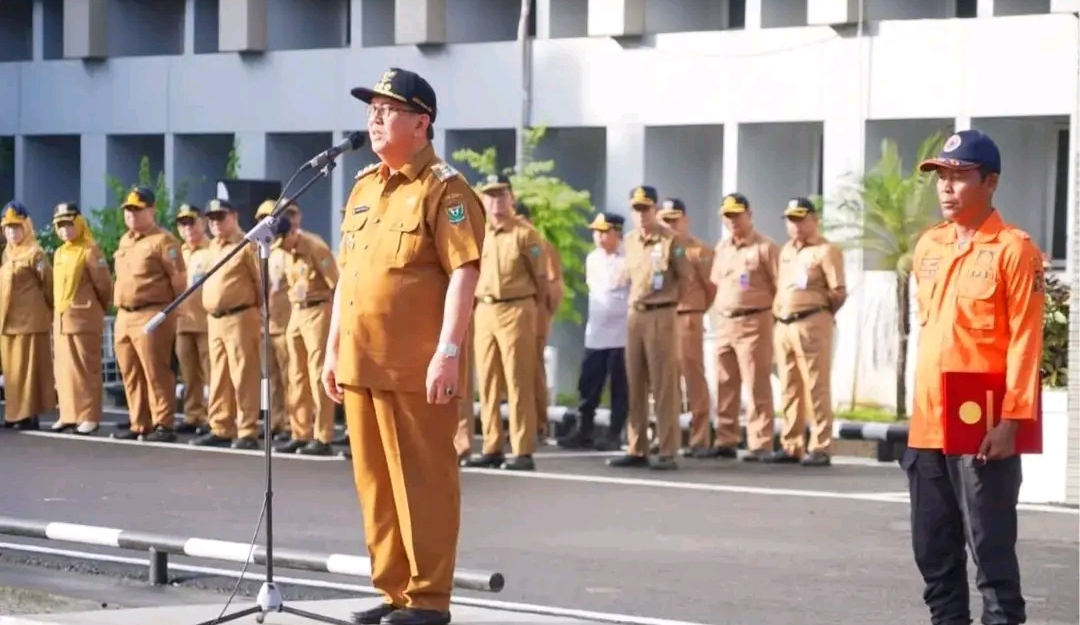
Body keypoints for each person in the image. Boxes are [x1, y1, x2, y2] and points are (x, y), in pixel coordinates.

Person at [323, 67, 484, 625]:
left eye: (387, 110)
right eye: (371, 110)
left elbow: (464, 272)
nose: (374, 119)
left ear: (421, 122)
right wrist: (331, 349)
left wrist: (448, 351)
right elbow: (348, 275)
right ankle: (394, 590)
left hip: (415, 367)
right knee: (376, 486)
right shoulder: (365, 186)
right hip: (360, 361)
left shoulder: (445, 189)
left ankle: (429, 598)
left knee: (423, 483)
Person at [904, 129, 1042, 625]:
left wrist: (1012, 421)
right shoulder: (929, 246)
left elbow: (1026, 339)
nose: (946, 186)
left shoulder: (1014, 250)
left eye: (960, 176)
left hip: (982, 426)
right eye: (941, 176)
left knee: (991, 558)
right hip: (928, 426)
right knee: (934, 555)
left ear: (991, 182)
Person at [462, 174, 547, 471]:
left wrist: (531, 309)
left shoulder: (525, 234)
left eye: (501, 194)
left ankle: (523, 450)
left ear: (512, 198)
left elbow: (541, 279)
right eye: (490, 195)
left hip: (516, 307)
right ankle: (492, 445)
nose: (496, 200)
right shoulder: (477, 232)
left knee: (517, 380)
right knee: (487, 381)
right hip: (485, 308)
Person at [607, 186, 694, 471]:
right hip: (636, 314)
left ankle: (667, 449)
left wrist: (670, 305)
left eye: (646, 208)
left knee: (663, 385)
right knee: (635, 383)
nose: (642, 214)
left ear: (655, 210)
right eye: (637, 209)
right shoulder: (629, 240)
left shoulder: (671, 240)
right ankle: (637, 447)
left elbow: (687, 278)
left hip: (661, 314)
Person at [766, 197, 845, 467]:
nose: (796, 225)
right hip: (784, 324)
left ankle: (821, 445)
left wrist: (820, 314)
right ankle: (791, 443)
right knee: (789, 387)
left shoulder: (825, 250)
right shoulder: (786, 250)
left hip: (811, 322)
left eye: (801, 219)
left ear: (814, 220)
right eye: (791, 220)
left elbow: (838, 291)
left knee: (816, 385)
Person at [110, 186, 187, 443]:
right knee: (130, 372)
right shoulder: (125, 240)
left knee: (156, 370)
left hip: (152, 312)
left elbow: (179, 281)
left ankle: (163, 423)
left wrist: (170, 313)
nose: (131, 214)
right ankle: (139, 422)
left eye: (137, 210)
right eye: (128, 210)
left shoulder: (164, 241)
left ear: (151, 211)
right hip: (124, 314)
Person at [710, 193, 780, 461]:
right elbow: (716, 284)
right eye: (728, 216)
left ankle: (760, 442)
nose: (733, 221)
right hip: (725, 322)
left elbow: (780, 286)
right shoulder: (722, 248)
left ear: (749, 215)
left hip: (754, 321)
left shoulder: (765, 247)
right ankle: (726, 438)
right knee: (724, 382)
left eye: (737, 215)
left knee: (756, 383)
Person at [190, 199, 263, 449]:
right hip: (215, 320)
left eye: (220, 217)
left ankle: (247, 429)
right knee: (218, 375)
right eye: (211, 218)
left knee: (243, 374)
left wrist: (260, 314)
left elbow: (260, 282)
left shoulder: (246, 244)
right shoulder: (212, 247)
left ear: (234, 216)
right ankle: (221, 426)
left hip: (240, 316)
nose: (215, 223)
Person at [557, 211, 629, 451]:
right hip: (596, 332)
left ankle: (615, 432)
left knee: (619, 386)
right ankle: (584, 429)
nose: (598, 236)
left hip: (622, 332)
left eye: (604, 231)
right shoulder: (593, 259)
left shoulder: (629, 257)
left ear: (617, 232)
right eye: (596, 232)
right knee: (589, 383)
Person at [273, 201, 339, 456]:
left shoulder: (314, 246)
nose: (282, 247)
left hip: (318, 310)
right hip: (297, 312)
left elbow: (336, 284)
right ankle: (300, 432)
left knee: (318, 373)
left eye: (283, 241)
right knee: (296, 375)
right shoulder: (285, 252)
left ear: (292, 232)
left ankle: (323, 436)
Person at [657, 199, 717, 457]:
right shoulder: (656, 249)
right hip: (661, 315)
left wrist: (696, 310)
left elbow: (711, 287)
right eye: (665, 220)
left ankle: (700, 436)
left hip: (686, 315)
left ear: (685, 221)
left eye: (675, 219)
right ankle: (666, 437)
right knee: (663, 379)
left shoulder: (698, 250)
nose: (670, 224)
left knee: (692, 375)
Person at [50, 202, 113, 435]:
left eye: (69, 223)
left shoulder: (90, 250)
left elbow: (104, 286)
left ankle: (89, 416)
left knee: (86, 370)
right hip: (62, 319)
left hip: (84, 318)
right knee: (64, 370)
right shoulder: (59, 252)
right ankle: (68, 414)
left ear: (79, 223)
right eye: (60, 225)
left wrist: (95, 309)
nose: (65, 229)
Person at [0, 201, 54, 430]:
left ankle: (29, 415)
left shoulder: (35, 253)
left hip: (30, 321)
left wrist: (46, 311)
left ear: (27, 226)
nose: (12, 232)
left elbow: (48, 284)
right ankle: (14, 414)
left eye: (16, 227)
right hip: (8, 321)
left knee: (28, 371)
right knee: (12, 371)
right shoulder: (7, 254)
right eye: (8, 227)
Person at [515, 202, 564, 438]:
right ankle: (520, 424)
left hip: (535, 316)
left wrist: (543, 311)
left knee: (533, 371)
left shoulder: (541, 246)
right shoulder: (505, 242)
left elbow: (554, 285)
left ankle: (538, 423)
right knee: (515, 373)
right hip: (511, 316)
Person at [257, 199, 294, 441]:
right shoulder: (258, 250)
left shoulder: (287, 250)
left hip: (286, 324)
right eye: (262, 218)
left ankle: (293, 424)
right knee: (270, 379)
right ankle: (275, 422)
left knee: (291, 377)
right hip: (265, 325)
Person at [174, 203, 212, 436]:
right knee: (189, 375)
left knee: (212, 374)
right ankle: (193, 415)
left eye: (191, 222)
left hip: (206, 322)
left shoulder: (212, 250)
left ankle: (214, 417)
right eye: (183, 223)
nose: (187, 227)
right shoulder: (178, 252)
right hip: (182, 322)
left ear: (203, 223)